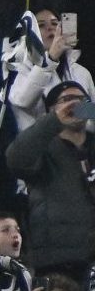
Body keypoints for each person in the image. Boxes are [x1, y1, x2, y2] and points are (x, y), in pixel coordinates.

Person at [6, 84, 95, 276]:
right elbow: (15, 160)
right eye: (66, 100)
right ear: (51, 110)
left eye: (82, 101)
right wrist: (54, 120)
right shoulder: (42, 148)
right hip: (59, 260)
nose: (75, 105)